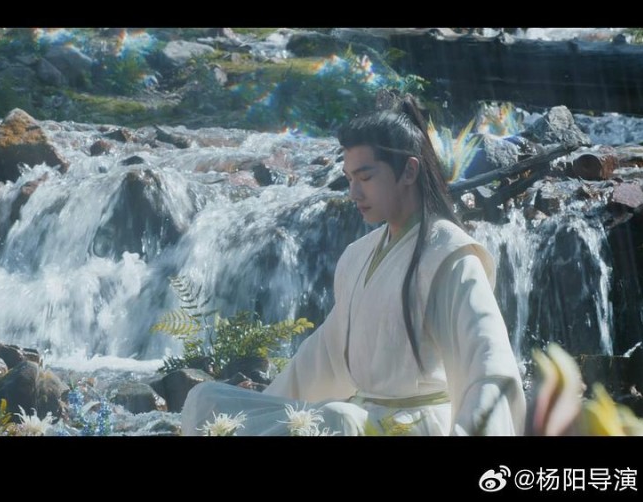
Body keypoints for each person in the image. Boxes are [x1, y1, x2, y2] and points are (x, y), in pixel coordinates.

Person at [181, 93, 526, 436]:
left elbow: (490, 367)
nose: (354, 193)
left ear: (409, 170)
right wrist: (259, 412)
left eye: (365, 177)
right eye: (349, 179)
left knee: (337, 417)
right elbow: (323, 358)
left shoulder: (450, 255)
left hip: (413, 425)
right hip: (357, 419)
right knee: (206, 399)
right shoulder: (358, 254)